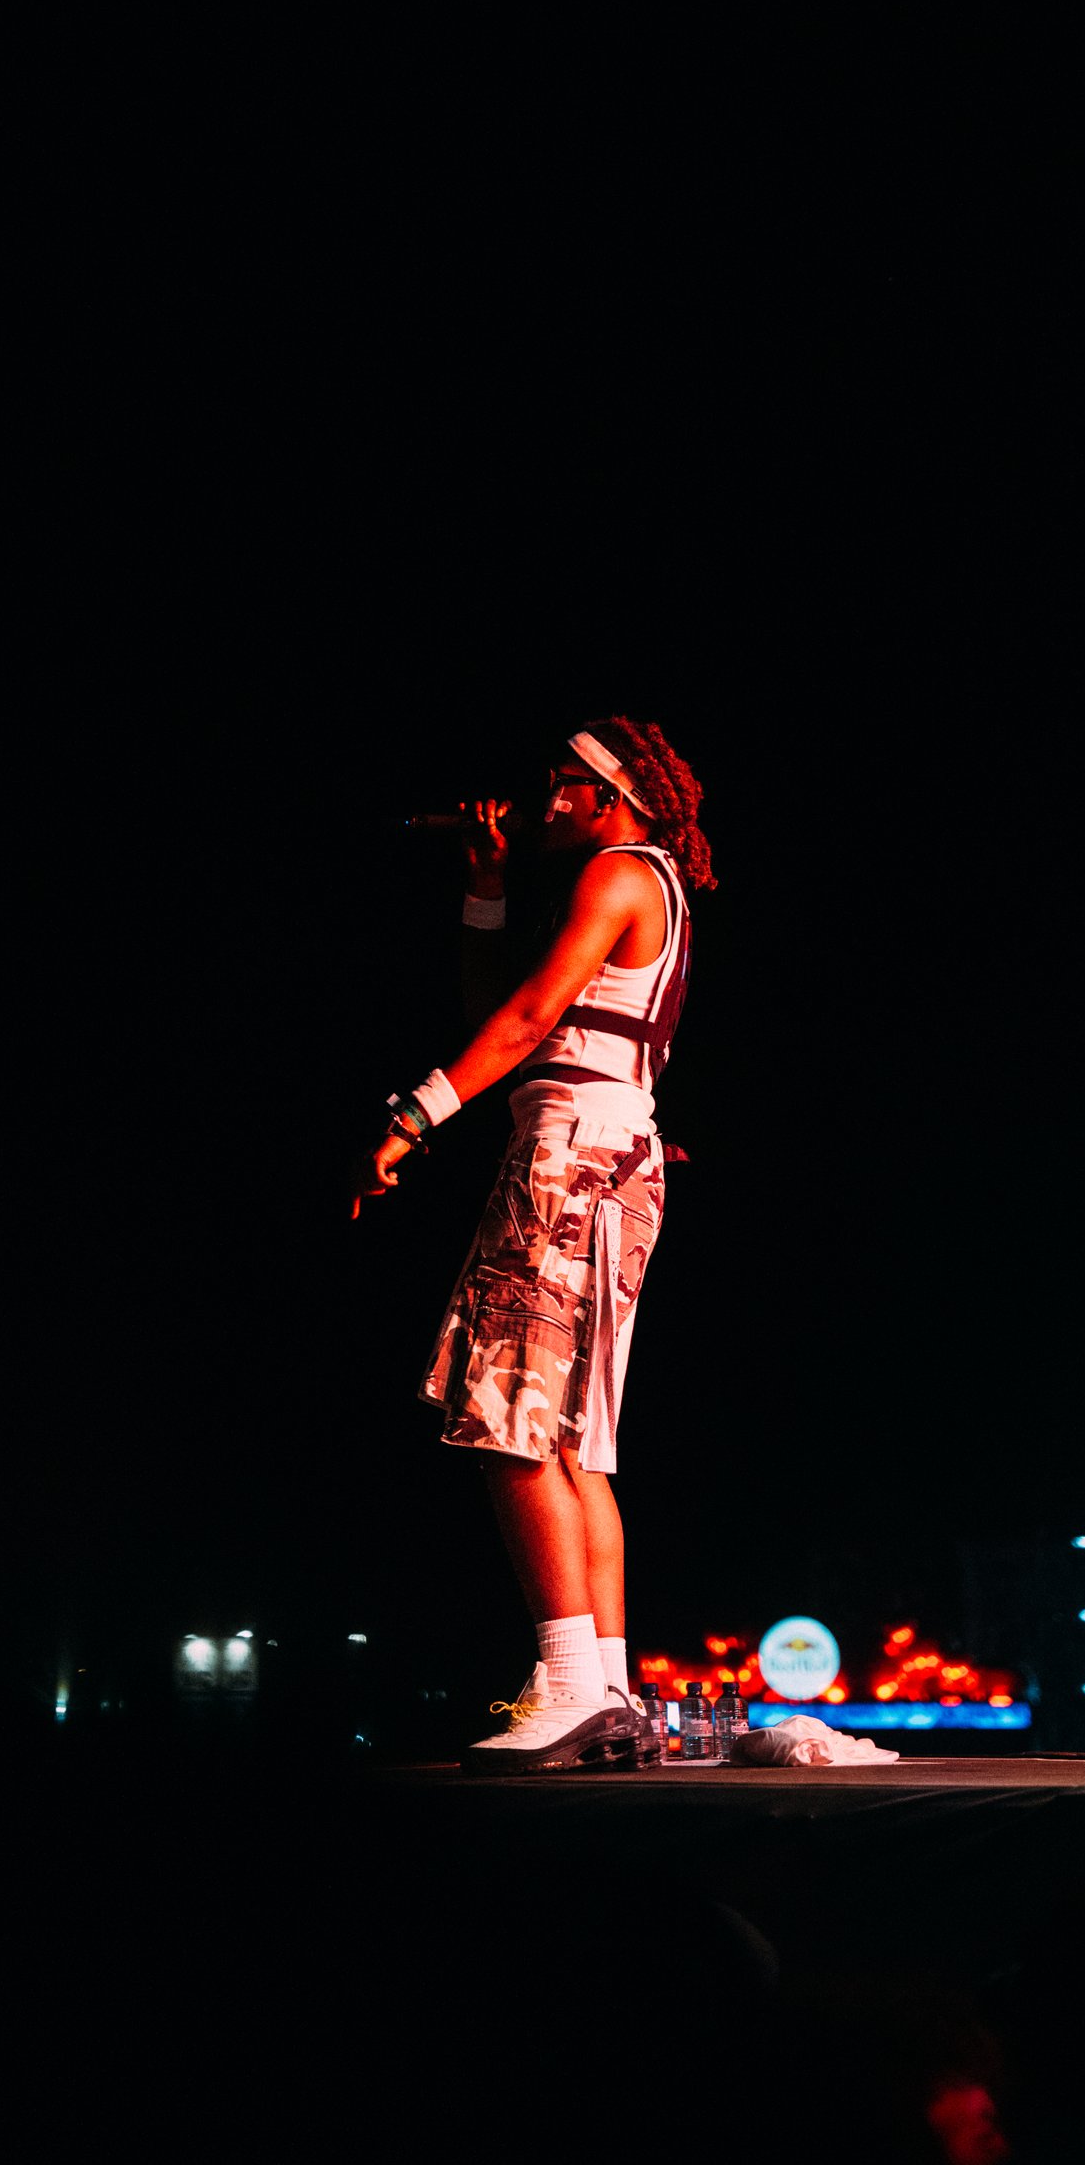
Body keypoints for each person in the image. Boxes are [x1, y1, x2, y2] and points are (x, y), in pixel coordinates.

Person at [351, 718, 715, 1772]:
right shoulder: (643, 883)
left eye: (564, 782)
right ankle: (605, 1690)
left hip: (571, 1155)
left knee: (508, 1415)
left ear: (611, 793)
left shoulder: (618, 870)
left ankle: (568, 1685)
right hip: (609, 1152)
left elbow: (524, 1017)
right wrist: (487, 891)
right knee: (567, 1441)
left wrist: (413, 1116)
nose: (545, 797)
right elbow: (512, 1022)